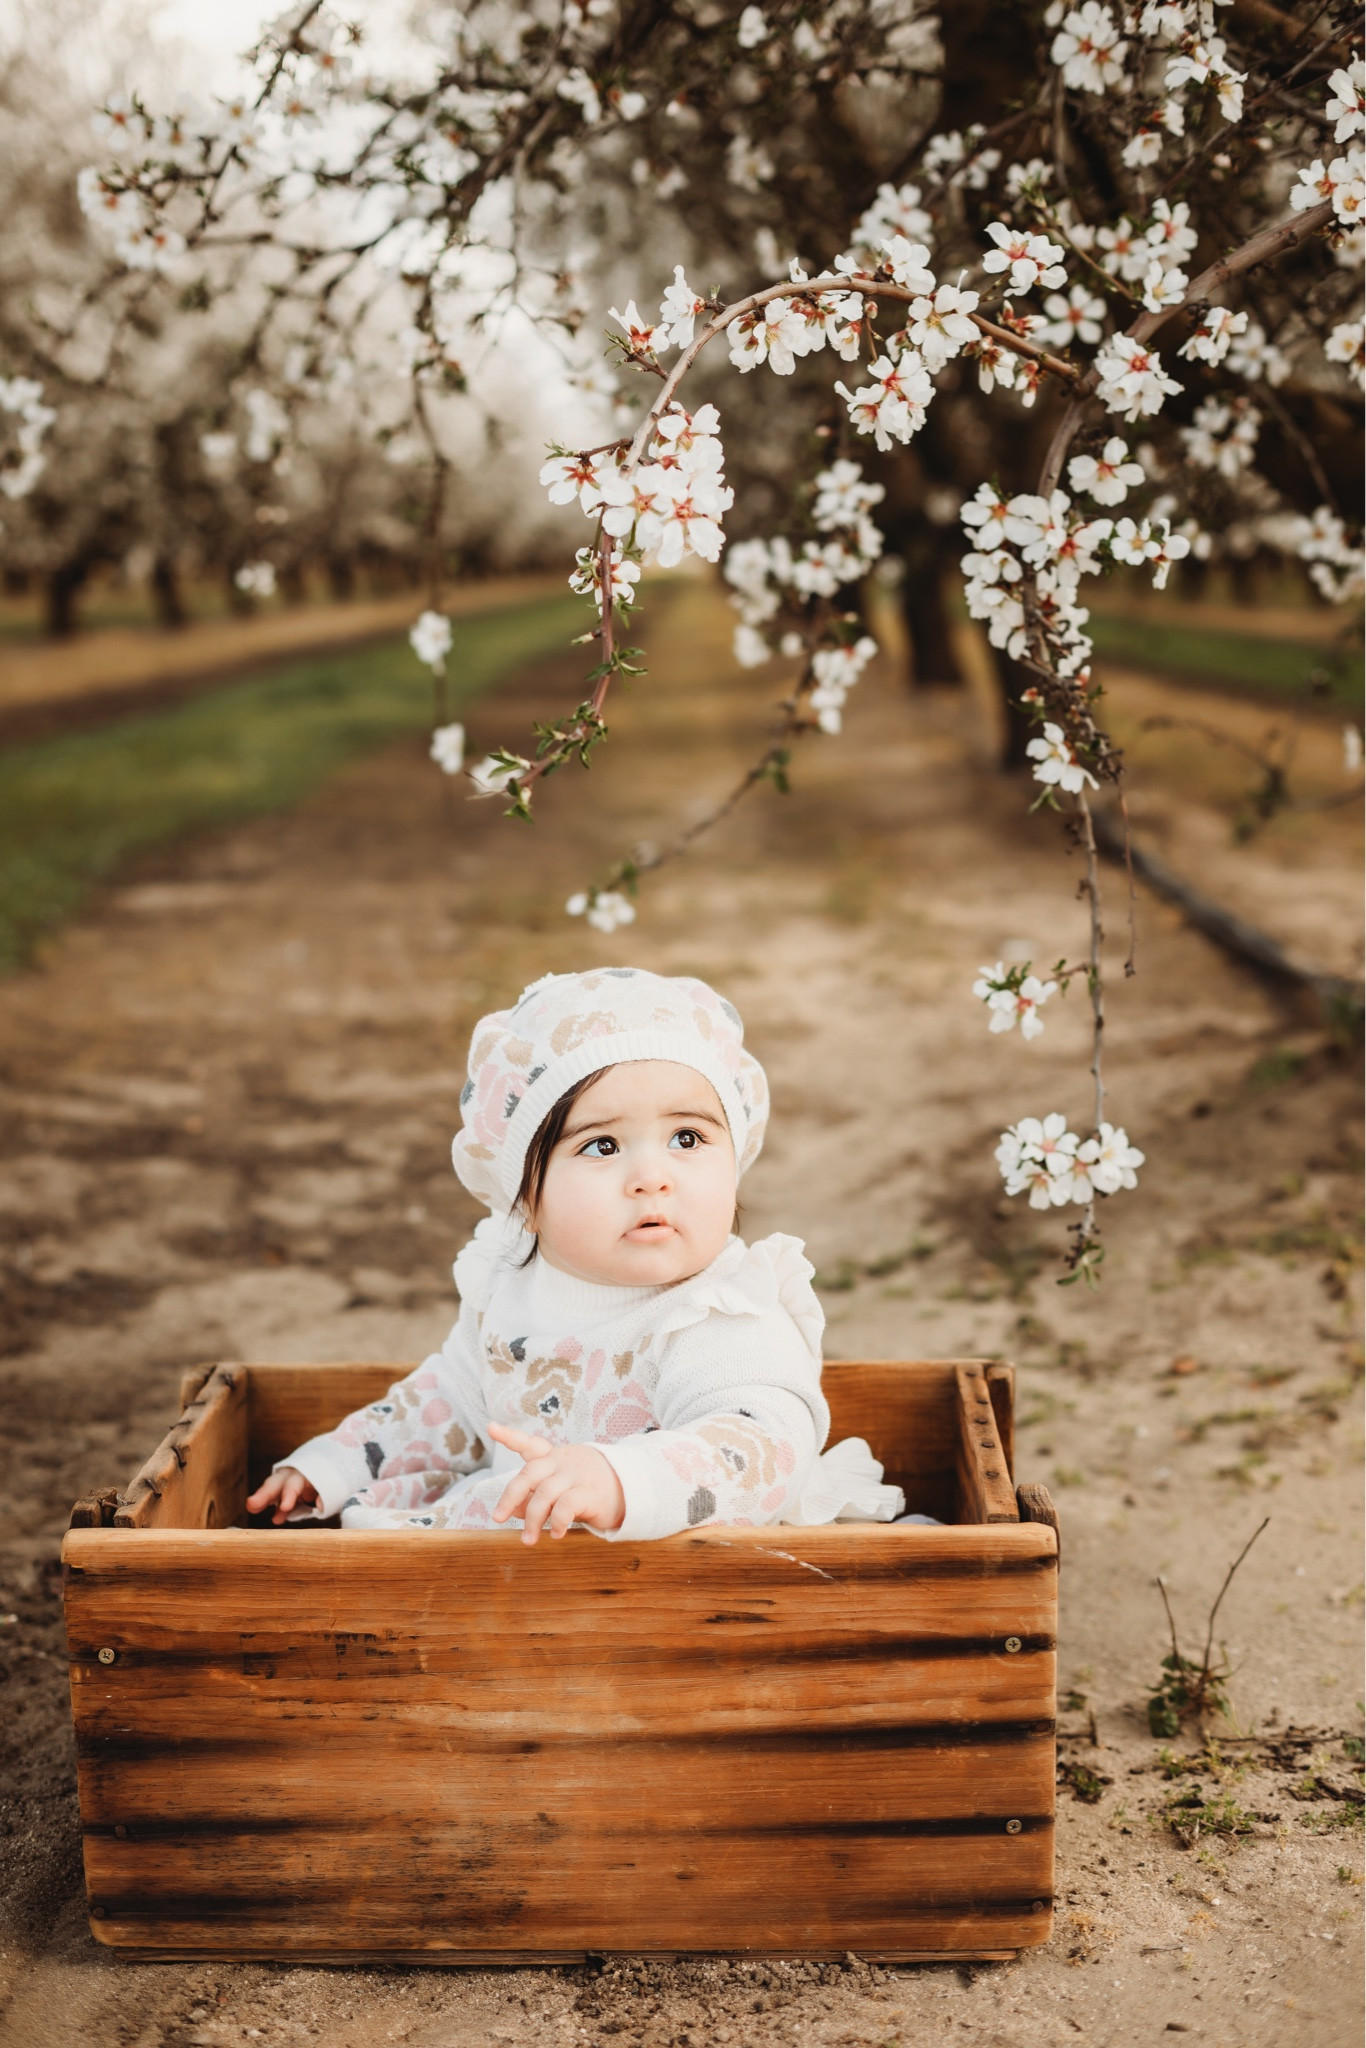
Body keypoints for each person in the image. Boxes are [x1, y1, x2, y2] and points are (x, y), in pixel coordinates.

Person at [245, 966, 901, 1542]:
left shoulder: (717, 1314)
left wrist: (621, 1481)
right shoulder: (513, 1290)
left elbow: (763, 1451)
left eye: (688, 1137)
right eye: (603, 1146)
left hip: (693, 1588)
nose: (653, 1175)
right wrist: (335, 1463)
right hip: (535, 1578)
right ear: (524, 1198)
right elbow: (450, 1402)